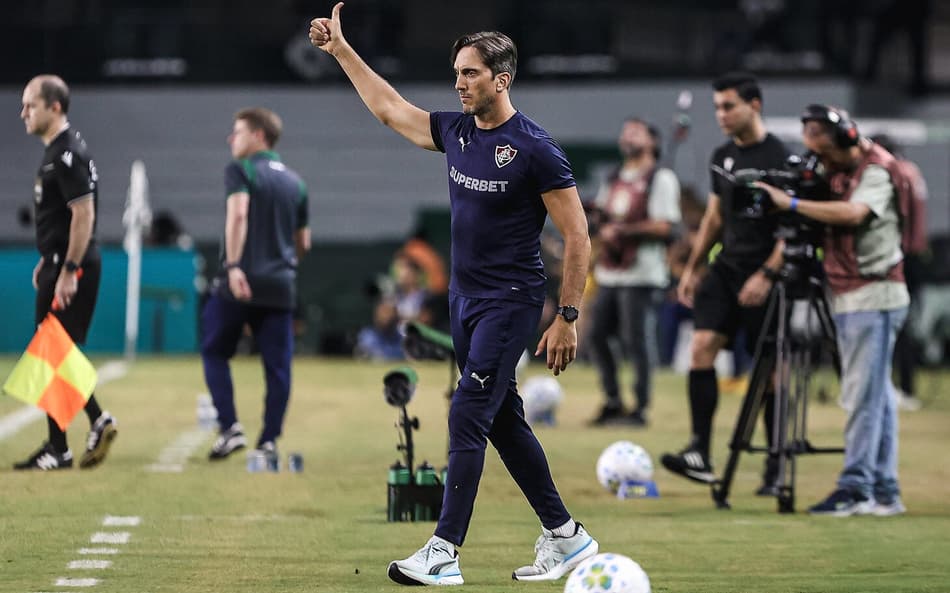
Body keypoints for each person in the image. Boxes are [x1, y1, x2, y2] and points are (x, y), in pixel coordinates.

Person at [310, 5, 597, 586]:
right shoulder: (456, 131)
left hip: (511, 302)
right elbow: (391, 110)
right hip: (464, 302)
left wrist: (567, 315)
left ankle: (444, 551)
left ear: (502, 79)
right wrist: (342, 51)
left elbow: (577, 234)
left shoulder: (536, 148)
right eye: (457, 73)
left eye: (470, 73)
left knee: (467, 412)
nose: (459, 83)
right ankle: (567, 537)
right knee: (501, 420)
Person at [755, 105, 910, 516]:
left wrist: (789, 203)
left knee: (861, 394)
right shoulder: (839, 169)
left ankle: (856, 487)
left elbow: (854, 213)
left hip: (873, 294)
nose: (820, 162)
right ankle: (885, 490)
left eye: (824, 150)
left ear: (845, 138)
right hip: (853, 292)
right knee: (878, 396)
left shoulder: (877, 169)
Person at [659, 72, 787, 492]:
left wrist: (767, 275)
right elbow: (714, 217)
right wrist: (694, 267)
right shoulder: (722, 156)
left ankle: (775, 465)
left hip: (767, 274)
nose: (722, 115)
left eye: (729, 106)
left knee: (769, 373)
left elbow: (793, 229)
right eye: (717, 107)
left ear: (755, 105)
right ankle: (699, 450)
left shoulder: (780, 158)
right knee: (700, 348)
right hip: (727, 269)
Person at [14, 74, 118, 471]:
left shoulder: (66, 152)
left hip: (71, 266)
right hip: (60, 262)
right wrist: (50, 256)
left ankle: (96, 419)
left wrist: (69, 268)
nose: (23, 111)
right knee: (53, 353)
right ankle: (59, 447)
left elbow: (83, 213)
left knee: (52, 350)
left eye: (31, 104)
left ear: (54, 107)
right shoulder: (60, 150)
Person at [202, 107, 311, 461]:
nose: (231, 139)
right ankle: (268, 441)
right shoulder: (296, 182)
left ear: (259, 136)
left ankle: (230, 427)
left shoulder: (241, 169)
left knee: (215, 351)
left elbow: (238, 215)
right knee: (278, 367)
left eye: (238, 132)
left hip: (241, 279)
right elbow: (303, 242)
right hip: (280, 285)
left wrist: (234, 266)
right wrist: (283, 265)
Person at [588, 117, 681, 427]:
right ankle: (613, 400)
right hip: (611, 272)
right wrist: (599, 223)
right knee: (597, 335)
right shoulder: (614, 177)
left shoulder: (661, 178)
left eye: (636, 131)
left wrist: (622, 231)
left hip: (643, 274)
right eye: (625, 131)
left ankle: (640, 407)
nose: (627, 135)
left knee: (636, 340)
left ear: (652, 141)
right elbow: (602, 216)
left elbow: (664, 225)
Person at [869, 133, 929, 411]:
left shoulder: (893, 174)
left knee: (890, 323)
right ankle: (903, 387)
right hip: (912, 257)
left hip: (896, 256)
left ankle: (896, 387)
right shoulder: (913, 172)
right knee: (901, 324)